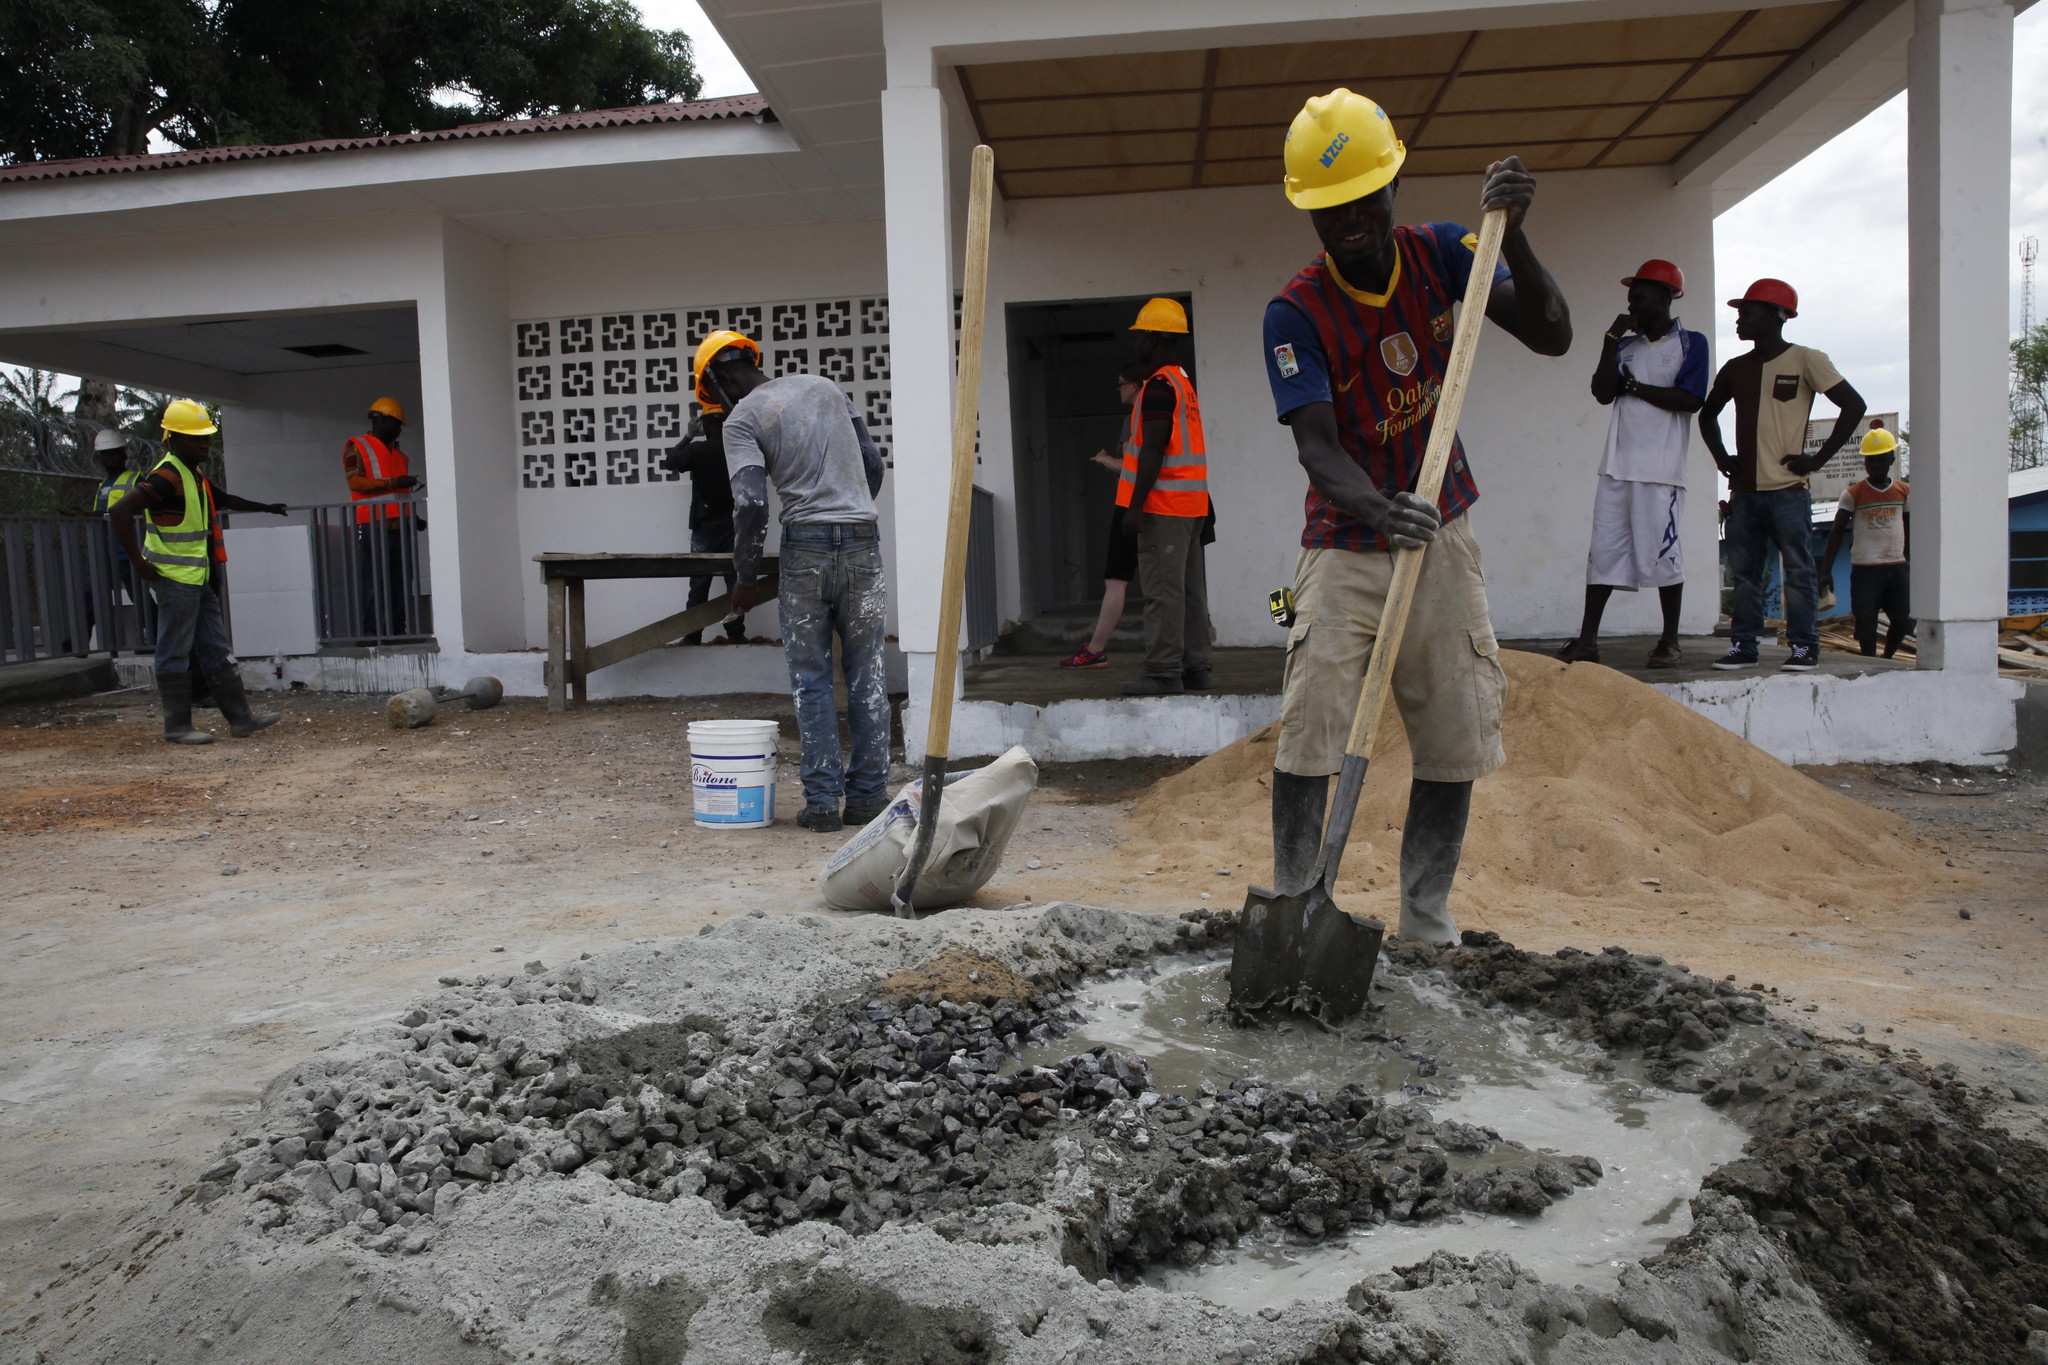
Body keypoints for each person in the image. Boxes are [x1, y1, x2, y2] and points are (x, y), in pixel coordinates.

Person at [1262, 88, 1571, 943]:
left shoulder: (1446, 253)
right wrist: (1377, 508)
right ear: (1310, 214)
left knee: (1454, 734)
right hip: (1345, 542)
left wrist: (1518, 234)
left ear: (1392, 185)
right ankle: (1295, 910)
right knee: (1310, 724)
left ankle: (1426, 922)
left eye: (1363, 197)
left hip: (1442, 531)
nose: (1350, 219)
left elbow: (1554, 335)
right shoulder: (1294, 313)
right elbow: (1318, 449)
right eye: (1329, 208)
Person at [710, 339, 890, 833]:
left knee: (811, 680)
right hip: (862, 543)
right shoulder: (826, 388)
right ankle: (868, 800)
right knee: (867, 674)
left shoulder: (742, 419)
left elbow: (749, 505)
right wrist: (850, 516)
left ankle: (822, 806)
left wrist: (745, 580)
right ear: (750, 362)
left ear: (719, 382)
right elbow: (874, 466)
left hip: (805, 549)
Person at [1698, 279, 1865, 672]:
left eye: (1747, 313)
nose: (1739, 320)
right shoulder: (1736, 368)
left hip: (1789, 491)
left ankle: (1805, 647)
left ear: (1776, 316)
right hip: (1744, 494)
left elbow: (1853, 405)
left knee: (1799, 572)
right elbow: (1707, 415)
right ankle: (1744, 646)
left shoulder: (1807, 359)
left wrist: (1817, 460)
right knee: (1745, 575)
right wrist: (1723, 458)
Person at [1555, 259, 1709, 668]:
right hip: (1616, 467)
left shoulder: (1692, 343)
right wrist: (1610, 338)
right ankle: (1588, 640)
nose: (1633, 305)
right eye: (1630, 299)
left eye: (1639, 297)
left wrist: (1637, 388)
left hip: (1661, 472)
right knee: (1602, 554)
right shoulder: (1625, 347)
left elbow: (1691, 399)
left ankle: (1669, 641)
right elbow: (1603, 393)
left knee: (1664, 557)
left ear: (1664, 296)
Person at [109, 399, 286, 745]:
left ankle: (241, 719)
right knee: (174, 649)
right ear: (173, 439)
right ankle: (177, 727)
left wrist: (266, 508)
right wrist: (138, 561)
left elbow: (224, 499)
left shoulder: (193, 476)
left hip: (197, 579)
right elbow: (119, 512)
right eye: (195, 439)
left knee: (215, 649)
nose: (203, 444)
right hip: (175, 579)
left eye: (205, 438)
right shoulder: (167, 476)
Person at [1118, 298, 1215, 695]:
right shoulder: (1184, 385)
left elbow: (1155, 448)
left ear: (1155, 338)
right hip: (1191, 506)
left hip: (1165, 508)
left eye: (1141, 333)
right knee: (1190, 593)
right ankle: (1197, 668)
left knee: (1163, 592)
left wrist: (1135, 507)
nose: (1136, 341)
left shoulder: (1158, 387)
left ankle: (1162, 672)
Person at [661, 331, 755, 646]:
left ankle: (692, 635)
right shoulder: (738, 448)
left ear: (706, 425)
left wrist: (687, 436)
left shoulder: (699, 451)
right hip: (733, 522)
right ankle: (736, 634)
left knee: (698, 582)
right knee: (733, 581)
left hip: (704, 527)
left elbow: (670, 462)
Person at [1061, 364, 1148, 670]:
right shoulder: (1163, 415)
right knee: (1165, 584)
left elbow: (1130, 467)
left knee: (1116, 580)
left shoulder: (1135, 418)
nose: (1119, 389)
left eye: (1121, 384)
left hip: (1132, 507)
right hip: (1160, 505)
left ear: (1136, 386)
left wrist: (1103, 459)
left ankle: (1095, 648)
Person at [1819, 426, 1913, 657]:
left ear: (1891, 459)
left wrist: (1909, 560)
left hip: (1896, 566)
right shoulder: (1853, 494)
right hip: (1866, 570)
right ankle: (1869, 662)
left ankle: (1887, 658)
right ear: (1865, 463)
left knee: (1904, 621)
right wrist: (1826, 570)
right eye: (1871, 462)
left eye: (1881, 461)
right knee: (1865, 623)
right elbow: (1837, 531)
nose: (1876, 466)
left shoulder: (1903, 491)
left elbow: (1911, 528)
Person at [343, 397, 420, 637]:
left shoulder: (399, 454)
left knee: (400, 582)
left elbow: (401, 495)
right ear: (383, 420)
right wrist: (392, 482)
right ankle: (371, 634)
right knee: (374, 582)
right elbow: (355, 481)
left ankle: (398, 631)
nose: (399, 429)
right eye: (397, 424)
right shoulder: (358, 446)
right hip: (374, 524)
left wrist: (413, 519)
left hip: (400, 526)